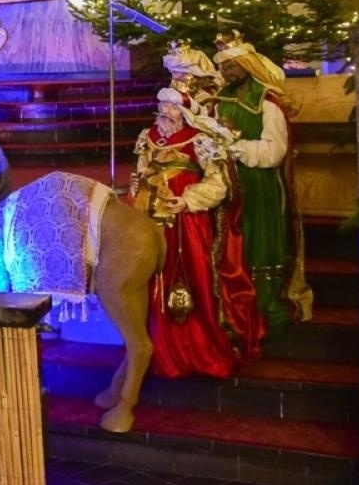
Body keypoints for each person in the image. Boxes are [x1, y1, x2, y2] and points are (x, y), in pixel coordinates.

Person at [133, 89, 263, 380]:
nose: (165, 111)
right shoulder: (148, 136)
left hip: (188, 223)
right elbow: (141, 170)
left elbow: (218, 183)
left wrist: (188, 199)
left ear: (185, 111)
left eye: (173, 107)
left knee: (195, 276)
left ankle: (199, 344)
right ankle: (155, 347)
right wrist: (141, 186)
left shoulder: (200, 139)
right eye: (162, 104)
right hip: (151, 220)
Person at [215, 32, 312, 335]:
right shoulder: (222, 100)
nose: (228, 72)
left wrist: (236, 147)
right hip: (229, 184)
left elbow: (274, 151)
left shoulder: (268, 102)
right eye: (225, 66)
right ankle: (235, 306)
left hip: (261, 184)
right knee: (233, 247)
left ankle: (265, 304)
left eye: (233, 65)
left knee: (261, 243)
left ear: (247, 64)